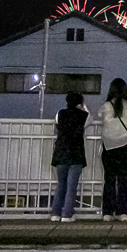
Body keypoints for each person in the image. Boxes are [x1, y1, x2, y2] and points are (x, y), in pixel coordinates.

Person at [99, 78, 127, 221]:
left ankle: (107, 213)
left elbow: (100, 117)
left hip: (108, 146)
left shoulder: (106, 106)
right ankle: (123, 212)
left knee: (109, 179)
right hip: (125, 145)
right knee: (123, 179)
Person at [50, 92, 92, 222]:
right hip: (76, 153)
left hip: (61, 152)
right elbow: (90, 117)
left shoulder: (60, 114)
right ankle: (67, 214)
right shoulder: (84, 116)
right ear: (80, 102)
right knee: (71, 186)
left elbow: (57, 127)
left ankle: (55, 213)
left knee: (61, 184)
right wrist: (83, 106)